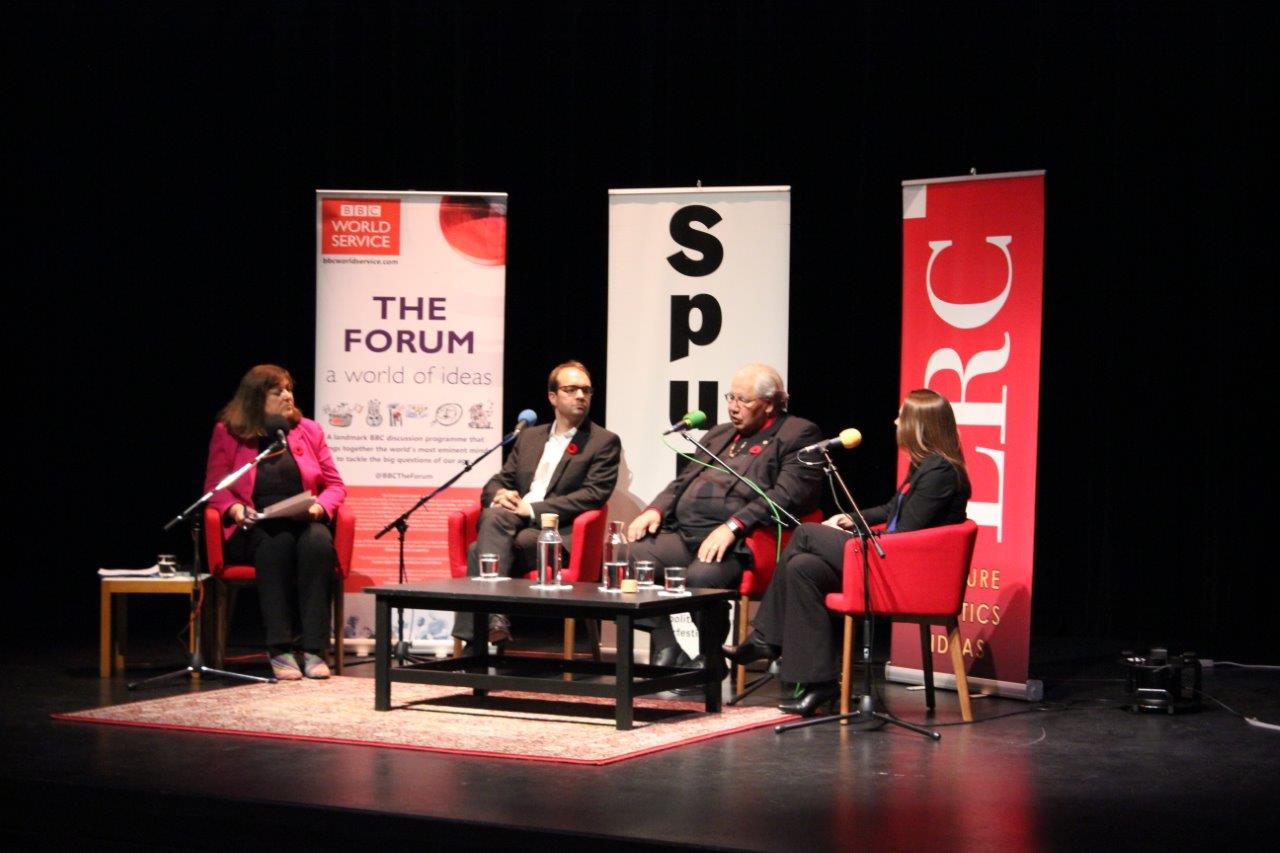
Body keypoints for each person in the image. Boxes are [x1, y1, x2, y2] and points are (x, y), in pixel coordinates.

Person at [724, 388, 971, 716]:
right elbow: (890, 511)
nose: (895, 422)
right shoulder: (925, 466)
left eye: (902, 416)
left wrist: (857, 534)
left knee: (808, 533)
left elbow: (908, 532)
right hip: (892, 557)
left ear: (920, 424)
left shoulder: (940, 472)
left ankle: (766, 638)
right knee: (802, 567)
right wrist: (850, 519)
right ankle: (818, 682)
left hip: (902, 569)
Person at [627, 363, 823, 671]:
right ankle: (669, 643)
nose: (733, 407)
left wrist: (733, 525)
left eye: (743, 401)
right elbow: (682, 481)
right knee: (635, 554)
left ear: (770, 403)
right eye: (730, 397)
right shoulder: (719, 434)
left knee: (701, 578)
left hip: (740, 541)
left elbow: (787, 496)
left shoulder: (797, 433)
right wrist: (655, 509)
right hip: (685, 534)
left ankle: (707, 656)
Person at [452, 360, 621, 644]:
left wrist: (531, 509)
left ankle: (475, 642)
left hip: (556, 534)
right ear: (553, 397)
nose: (581, 396)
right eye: (571, 389)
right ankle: (493, 622)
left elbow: (594, 494)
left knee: (477, 550)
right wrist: (500, 495)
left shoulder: (602, 441)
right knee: (494, 517)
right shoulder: (530, 437)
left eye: (586, 390)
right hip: (511, 523)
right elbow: (499, 480)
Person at [204, 364, 347, 681]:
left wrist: (319, 509)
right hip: (256, 524)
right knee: (276, 545)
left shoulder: (309, 430)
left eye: (288, 389)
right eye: (277, 390)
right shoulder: (228, 432)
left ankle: (313, 649)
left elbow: (336, 486)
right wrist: (237, 510)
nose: (287, 395)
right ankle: (280, 648)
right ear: (256, 398)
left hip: (304, 517)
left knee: (319, 545)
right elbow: (215, 489)